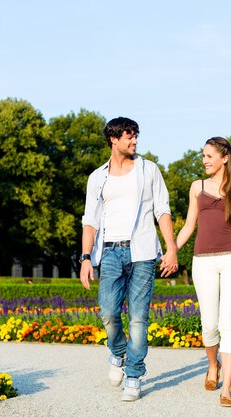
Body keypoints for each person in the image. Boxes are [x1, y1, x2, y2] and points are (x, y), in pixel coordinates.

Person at [79, 117, 178, 402]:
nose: (134, 142)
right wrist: (86, 258)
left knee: (138, 318)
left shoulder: (149, 170)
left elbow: (163, 210)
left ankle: (134, 374)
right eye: (129, 137)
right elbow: (90, 220)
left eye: (136, 137)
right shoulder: (98, 177)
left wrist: (170, 248)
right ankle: (118, 352)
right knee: (108, 313)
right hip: (110, 250)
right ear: (113, 139)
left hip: (143, 252)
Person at [176, 136, 231, 408]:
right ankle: (213, 365)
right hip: (203, 261)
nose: (205, 160)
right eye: (204, 156)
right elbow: (189, 225)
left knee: (228, 323)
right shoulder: (196, 187)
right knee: (209, 324)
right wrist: (171, 250)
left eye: (209, 156)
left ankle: (228, 389)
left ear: (225, 158)